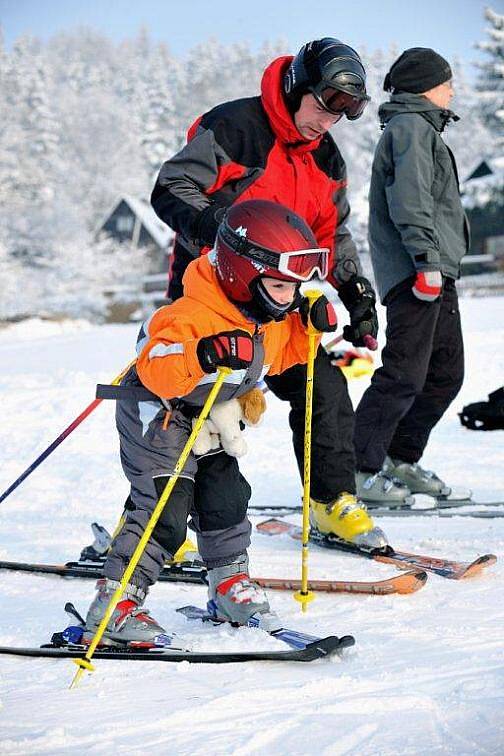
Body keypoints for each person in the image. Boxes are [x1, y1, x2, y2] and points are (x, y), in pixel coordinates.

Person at [150, 38, 383, 546]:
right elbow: (170, 187)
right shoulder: (236, 129)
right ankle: (163, 527)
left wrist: (357, 292)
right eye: (322, 107)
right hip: (209, 300)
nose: (326, 123)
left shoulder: (326, 159)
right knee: (196, 415)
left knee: (322, 388)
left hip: (278, 305)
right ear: (299, 87)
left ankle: (331, 501)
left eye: (339, 116)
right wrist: (219, 225)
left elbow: (333, 233)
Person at [83, 200, 341, 644]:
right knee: (167, 507)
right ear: (244, 273)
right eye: (281, 286)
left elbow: (280, 358)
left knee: (226, 497)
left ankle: (228, 586)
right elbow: (155, 363)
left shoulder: (265, 317)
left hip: (211, 420)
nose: (291, 298)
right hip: (158, 418)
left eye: (295, 288)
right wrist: (203, 354)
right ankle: (115, 603)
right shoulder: (187, 315)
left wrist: (307, 331)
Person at [354, 48, 469, 505]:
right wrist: (425, 260)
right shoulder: (409, 128)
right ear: (425, 86)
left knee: (444, 374)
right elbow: (410, 198)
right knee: (403, 374)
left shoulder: (421, 128)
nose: (452, 90)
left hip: (438, 269)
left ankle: (398, 458)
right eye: (446, 82)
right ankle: (356, 471)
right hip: (418, 272)